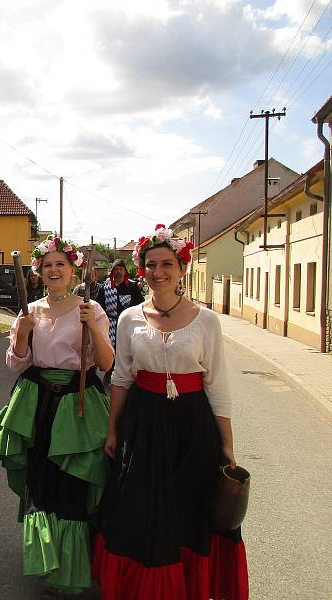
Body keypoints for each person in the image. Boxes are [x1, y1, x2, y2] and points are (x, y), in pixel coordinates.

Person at [93, 224, 248, 599]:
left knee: (187, 510)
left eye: (166, 264)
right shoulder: (129, 318)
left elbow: (217, 385)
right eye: (150, 265)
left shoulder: (206, 320)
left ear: (182, 269)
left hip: (192, 428)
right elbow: (121, 378)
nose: (158, 272)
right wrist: (113, 431)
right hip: (143, 423)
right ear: (140, 269)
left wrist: (227, 445)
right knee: (139, 509)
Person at [0, 234, 114, 593]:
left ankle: (72, 569)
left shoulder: (91, 309)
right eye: (48, 265)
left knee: (73, 483)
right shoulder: (30, 312)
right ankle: (47, 560)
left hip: (79, 405)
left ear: (73, 270)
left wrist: (92, 326)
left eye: (61, 263)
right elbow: (16, 363)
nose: (54, 270)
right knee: (41, 482)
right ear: (38, 272)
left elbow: (107, 363)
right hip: (40, 406)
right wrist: (22, 335)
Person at [96, 258, 144, 349]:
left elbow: (140, 305)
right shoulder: (105, 287)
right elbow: (99, 307)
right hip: (110, 326)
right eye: (116, 269)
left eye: (121, 269)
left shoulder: (132, 286)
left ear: (125, 271)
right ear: (112, 271)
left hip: (129, 325)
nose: (118, 271)